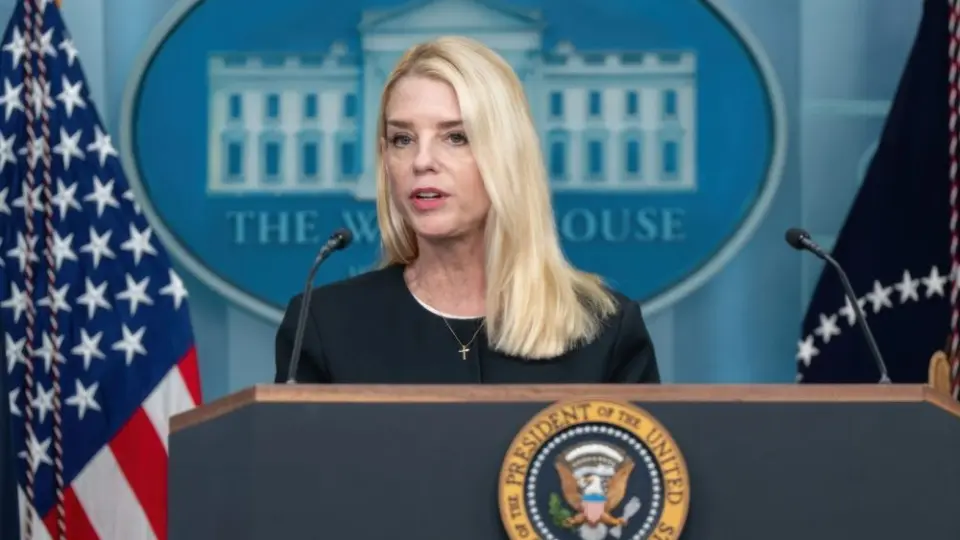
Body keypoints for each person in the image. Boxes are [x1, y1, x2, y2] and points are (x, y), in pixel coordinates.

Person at [274, 36, 660, 384]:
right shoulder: (325, 325)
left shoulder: (605, 330)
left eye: (456, 137)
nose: (422, 161)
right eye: (403, 139)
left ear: (508, 155)